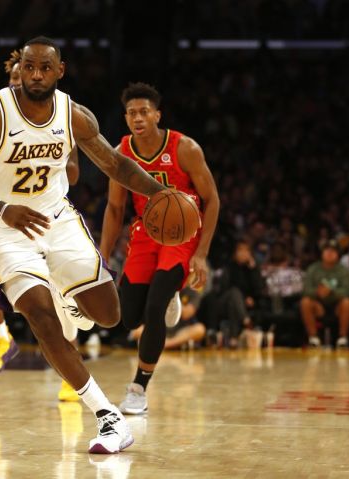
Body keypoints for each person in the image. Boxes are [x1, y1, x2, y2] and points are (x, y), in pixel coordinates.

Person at [0, 37, 169, 454]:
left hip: (57, 219)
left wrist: (160, 193)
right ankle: (108, 418)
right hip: (4, 230)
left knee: (107, 315)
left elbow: (115, 164)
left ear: (59, 71)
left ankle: (69, 300)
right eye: (29, 67)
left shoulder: (73, 114)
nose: (35, 75)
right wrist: (1, 208)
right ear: (21, 69)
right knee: (40, 317)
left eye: (44, 68)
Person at [99, 82, 219, 414]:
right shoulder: (120, 152)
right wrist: (103, 255)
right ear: (125, 118)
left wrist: (202, 254)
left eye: (144, 112)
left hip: (182, 232)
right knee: (127, 318)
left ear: (157, 115)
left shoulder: (185, 148)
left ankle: (138, 388)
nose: (138, 118)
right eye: (132, 113)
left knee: (153, 311)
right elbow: (113, 208)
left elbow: (212, 200)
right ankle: (167, 300)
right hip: (145, 231)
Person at [0, 49, 81, 403]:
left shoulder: (61, 118)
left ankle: (71, 364)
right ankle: (1, 336)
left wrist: (43, 161)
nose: (20, 87)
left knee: (58, 287)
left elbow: (74, 173)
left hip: (43, 211)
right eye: (14, 81)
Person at [300, 240, 349, 348]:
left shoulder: (343, 271)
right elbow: (305, 290)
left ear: (338, 254)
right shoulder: (313, 269)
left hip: (337, 305)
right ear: (322, 253)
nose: (329, 253)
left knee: (347, 302)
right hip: (318, 304)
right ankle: (313, 338)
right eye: (327, 250)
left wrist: (331, 292)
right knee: (305, 302)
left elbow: (347, 291)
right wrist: (317, 292)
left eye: (333, 251)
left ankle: (343, 338)